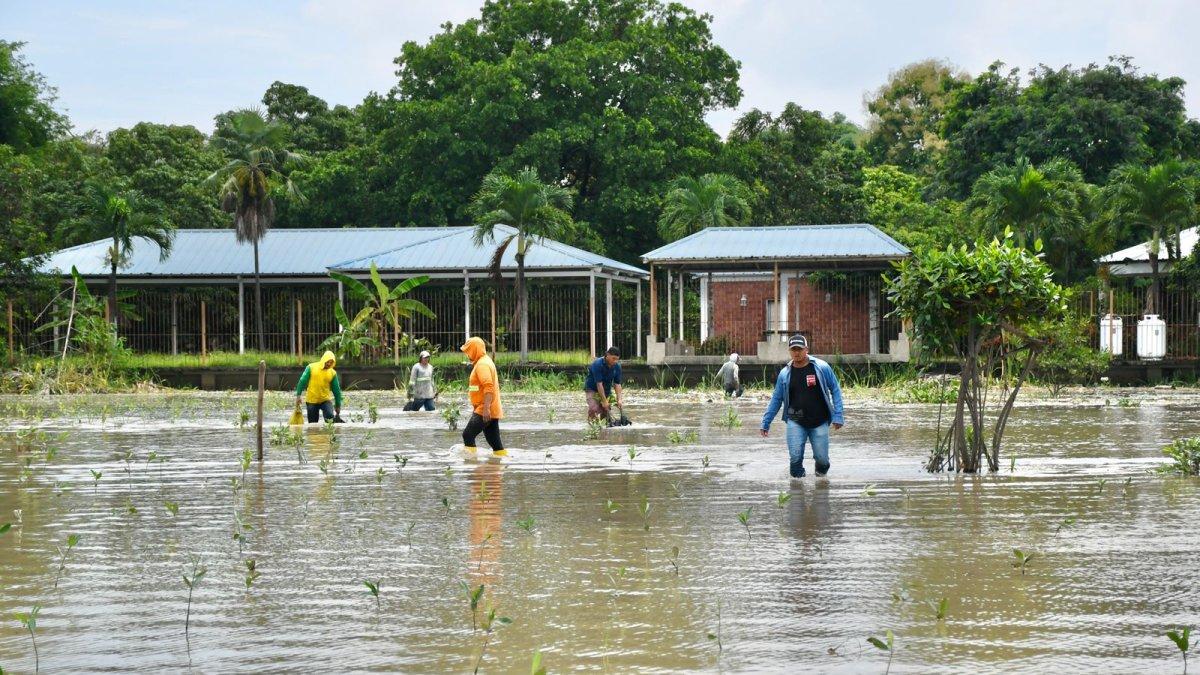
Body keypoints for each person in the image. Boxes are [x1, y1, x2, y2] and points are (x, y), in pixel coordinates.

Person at [760, 335, 844, 478]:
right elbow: (776, 399)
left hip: (819, 420)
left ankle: (820, 477)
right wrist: (766, 422)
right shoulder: (785, 373)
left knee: (823, 461)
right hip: (795, 420)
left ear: (807, 350)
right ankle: (797, 488)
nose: (796, 353)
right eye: (793, 349)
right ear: (789, 351)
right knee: (795, 459)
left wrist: (838, 415)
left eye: (799, 349)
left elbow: (835, 389)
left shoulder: (821, 367)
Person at [461, 336, 505, 456]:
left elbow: (488, 386)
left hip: (485, 409)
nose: (467, 355)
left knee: (467, 435)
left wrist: (485, 409)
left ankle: (471, 463)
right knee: (495, 444)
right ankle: (499, 465)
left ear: (475, 350)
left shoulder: (482, 365)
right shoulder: (484, 361)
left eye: (468, 351)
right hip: (489, 408)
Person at [295, 350, 344, 423]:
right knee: (312, 424)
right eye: (328, 361)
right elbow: (302, 381)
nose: (329, 364)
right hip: (311, 400)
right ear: (324, 360)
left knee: (330, 417)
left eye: (331, 362)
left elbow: (336, 390)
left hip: (325, 400)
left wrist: (338, 405)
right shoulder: (311, 367)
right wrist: (298, 395)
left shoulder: (332, 373)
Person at [585, 346, 625, 421]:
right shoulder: (597, 364)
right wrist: (604, 401)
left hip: (606, 390)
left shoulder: (617, 366)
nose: (615, 361)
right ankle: (591, 423)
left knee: (606, 410)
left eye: (617, 359)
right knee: (594, 409)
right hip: (592, 389)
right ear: (607, 355)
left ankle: (604, 426)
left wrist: (619, 399)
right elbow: (599, 384)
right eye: (613, 358)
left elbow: (617, 384)